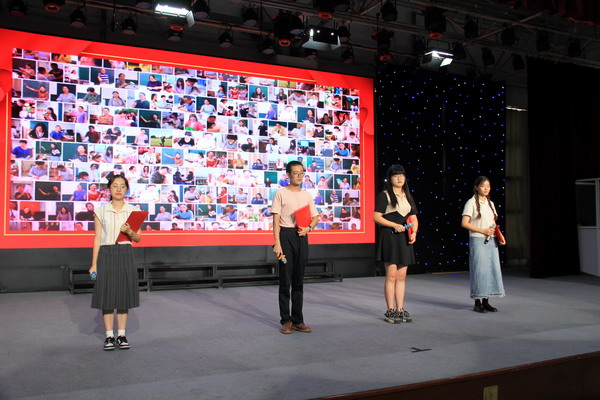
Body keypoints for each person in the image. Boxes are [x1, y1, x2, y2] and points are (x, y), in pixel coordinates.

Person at [89, 175, 142, 351]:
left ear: (126, 189)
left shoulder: (134, 211)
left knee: (123, 297)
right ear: (109, 189)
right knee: (107, 297)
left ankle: (121, 334)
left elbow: (138, 238)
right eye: (115, 186)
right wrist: (94, 264)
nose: (118, 189)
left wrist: (129, 231)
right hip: (106, 253)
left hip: (125, 253)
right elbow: (97, 239)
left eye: (122, 186)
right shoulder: (101, 211)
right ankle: (109, 336)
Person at [272, 160, 319, 334]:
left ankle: (298, 320)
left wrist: (309, 228)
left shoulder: (306, 195)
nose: (299, 176)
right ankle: (286, 320)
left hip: (302, 236)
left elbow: (315, 217)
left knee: (299, 280)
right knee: (285, 280)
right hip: (285, 237)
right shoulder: (280, 193)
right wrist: (277, 243)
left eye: (302, 173)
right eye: (295, 173)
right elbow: (276, 220)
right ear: (288, 175)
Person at [373, 165, 419, 324]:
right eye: (395, 175)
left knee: (402, 276)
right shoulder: (384, 195)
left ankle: (400, 309)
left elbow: (414, 218)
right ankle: (390, 310)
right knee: (391, 275)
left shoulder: (408, 196)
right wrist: (394, 225)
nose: (399, 178)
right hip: (390, 236)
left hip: (404, 238)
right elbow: (376, 217)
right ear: (390, 178)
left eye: (401, 175)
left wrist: (414, 232)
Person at [461, 176, 505, 313]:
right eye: (483, 186)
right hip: (478, 240)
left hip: (491, 240)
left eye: (488, 186)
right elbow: (464, 223)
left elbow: (493, 223)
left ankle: (486, 301)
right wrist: (482, 230)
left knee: (490, 270)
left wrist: (499, 235)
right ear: (476, 187)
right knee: (479, 271)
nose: (486, 188)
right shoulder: (471, 203)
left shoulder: (490, 203)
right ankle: (477, 302)